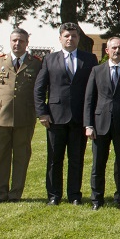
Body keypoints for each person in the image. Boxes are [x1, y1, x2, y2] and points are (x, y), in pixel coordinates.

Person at [34, 22, 97, 205]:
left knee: (76, 159)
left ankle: (74, 195)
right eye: (67, 36)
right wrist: (42, 113)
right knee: (55, 159)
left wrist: (90, 118)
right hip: (55, 117)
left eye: (74, 36)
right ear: (60, 38)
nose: (70, 39)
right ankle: (54, 195)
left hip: (79, 117)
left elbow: (93, 89)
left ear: (78, 38)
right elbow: (39, 89)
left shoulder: (89, 59)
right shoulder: (49, 59)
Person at [84, 36, 120, 210]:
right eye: (114, 48)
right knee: (98, 164)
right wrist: (88, 125)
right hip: (100, 124)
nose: (117, 51)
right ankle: (97, 199)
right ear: (107, 51)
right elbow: (89, 99)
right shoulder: (96, 70)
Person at [0, 28, 41, 203]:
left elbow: (40, 88)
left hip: (25, 116)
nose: (17, 44)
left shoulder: (36, 63)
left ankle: (15, 194)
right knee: (1, 156)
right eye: (14, 40)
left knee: (21, 156)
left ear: (27, 43)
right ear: (10, 41)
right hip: (1, 115)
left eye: (21, 41)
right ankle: (0, 194)